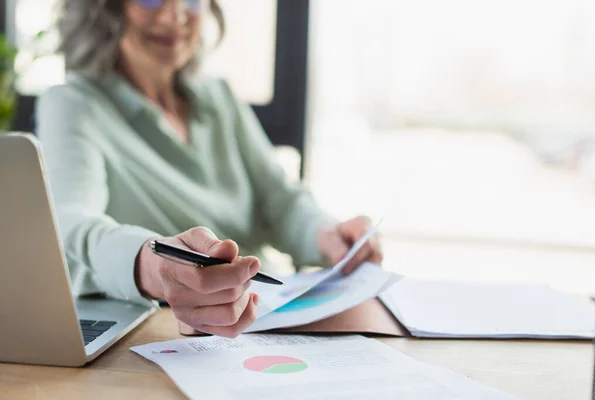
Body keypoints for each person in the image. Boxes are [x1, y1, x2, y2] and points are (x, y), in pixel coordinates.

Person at [36, 0, 382, 338]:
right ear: (104, 7)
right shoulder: (73, 105)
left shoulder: (220, 98)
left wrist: (328, 236)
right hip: (174, 333)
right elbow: (68, 225)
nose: (175, 13)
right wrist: (151, 266)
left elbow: (281, 202)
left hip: (271, 317)